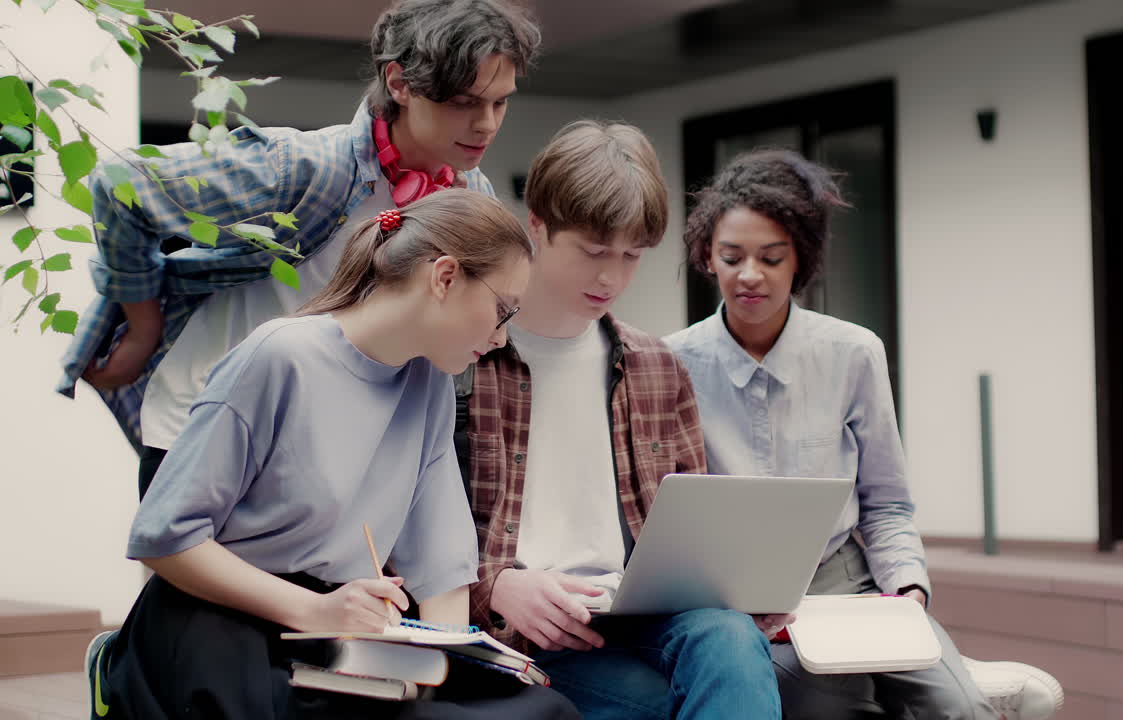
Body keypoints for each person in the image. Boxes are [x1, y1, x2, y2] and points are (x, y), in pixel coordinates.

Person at [85, 191, 580, 720]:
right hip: (221, 619)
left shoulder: (431, 383)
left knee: (542, 713)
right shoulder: (279, 356)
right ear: (445, 277)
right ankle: (116, 669)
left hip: (340, 629)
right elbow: (164, 538)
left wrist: (442, 666)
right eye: (503, 310)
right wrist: (314, 609)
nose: (503, 338)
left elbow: (439, 570)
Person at [55, 0, 540, 499]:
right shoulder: (305, 167)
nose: (486, 124)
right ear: (399, 83)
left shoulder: (472, 200)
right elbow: (120, 182)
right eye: (464, 102)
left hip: (339, 455)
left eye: (500, 102)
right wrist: (142, 326)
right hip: (216, 432)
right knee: (190, 575)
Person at [665, 149, 1063, 720]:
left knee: (959, 706)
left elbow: (887, 502)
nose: (749, 274)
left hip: (852, 591)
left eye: (771, 258)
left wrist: (909, 594)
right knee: (838, 706)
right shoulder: (672, 361)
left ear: (800, 260)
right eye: (733, 256)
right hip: (741, 607)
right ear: (708, 256)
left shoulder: (853, 352)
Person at [455, 120, 784, 719]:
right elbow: (401, 526)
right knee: (661, 703)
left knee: (733, 638)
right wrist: (494, 586)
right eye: (593, 251)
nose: (612, 276)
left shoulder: (656, 364)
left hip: (638, 609)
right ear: (537, 224)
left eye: (632, 256)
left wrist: (746, 590)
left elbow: (694, 530)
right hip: (520, 628)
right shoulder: (464, 356)